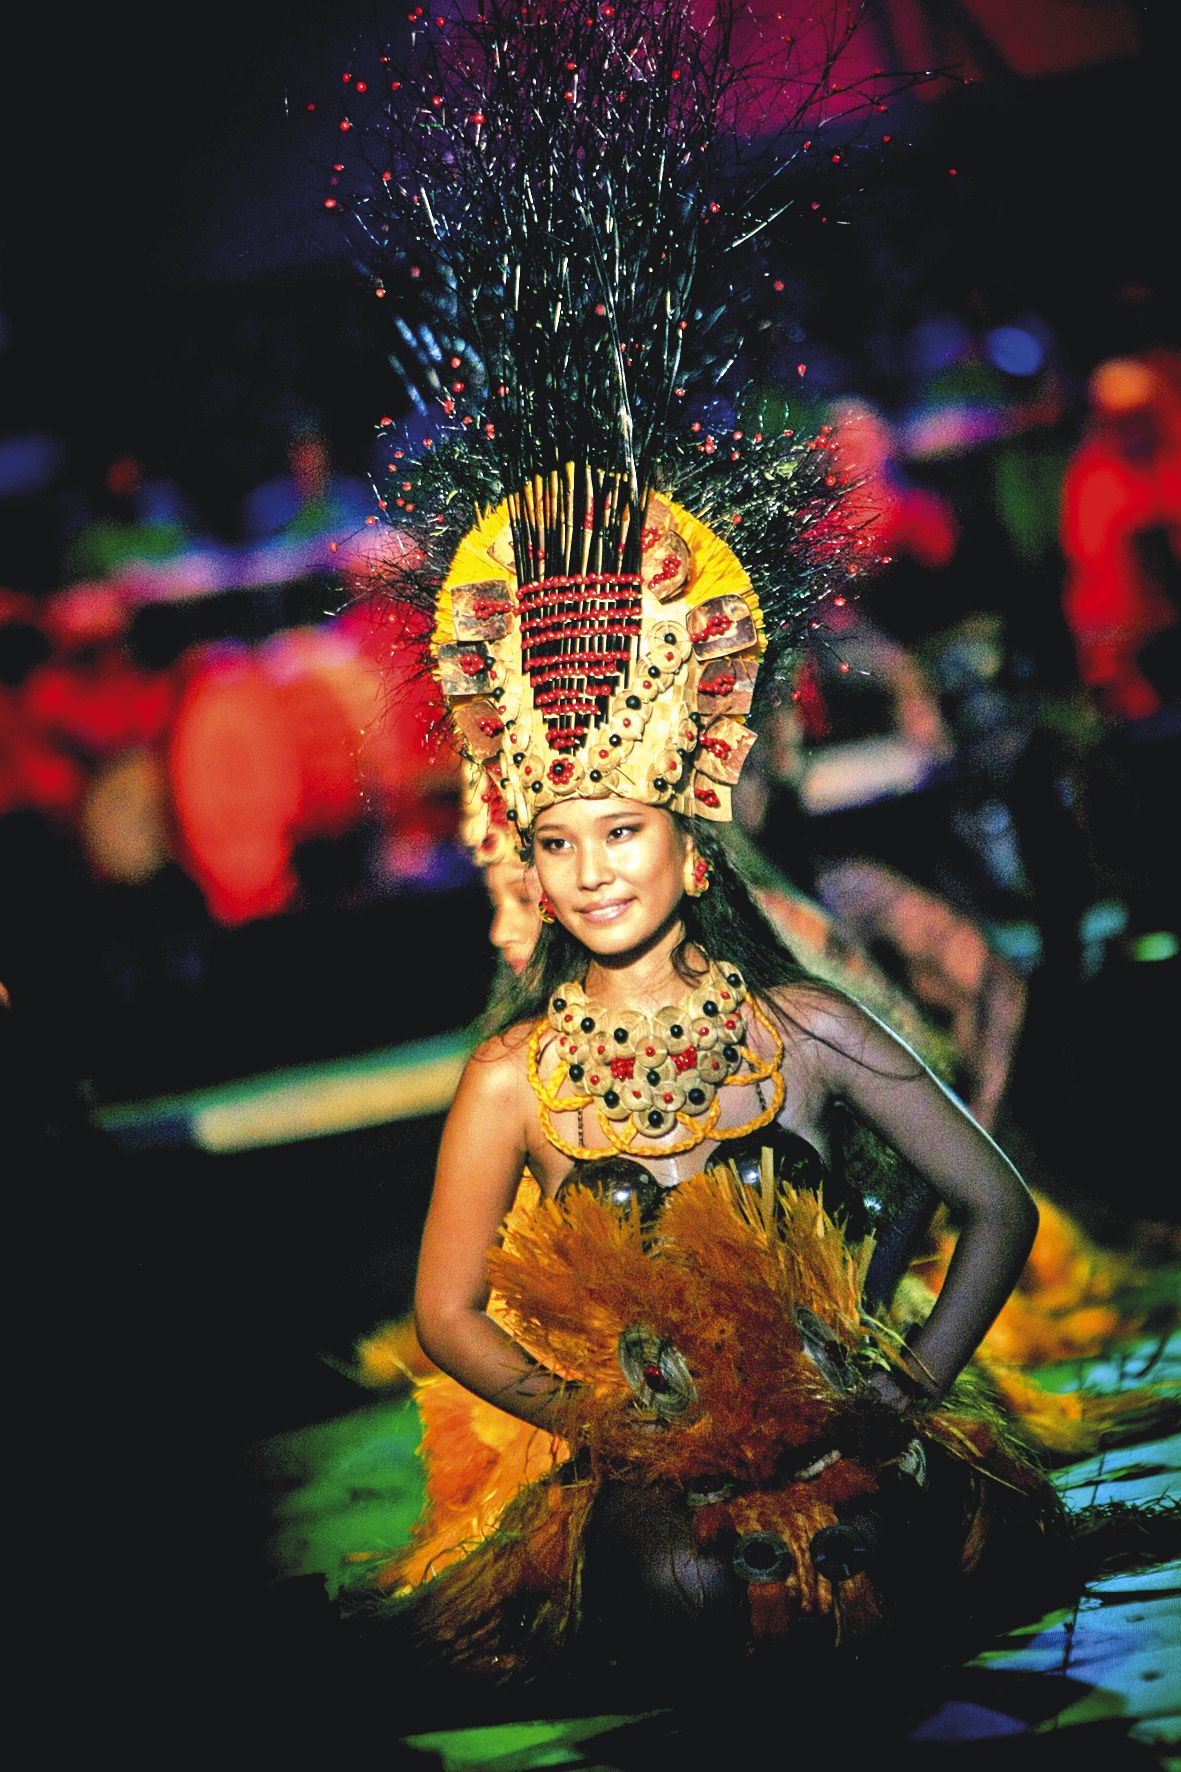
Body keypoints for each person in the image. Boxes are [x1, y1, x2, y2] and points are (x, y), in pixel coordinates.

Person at [320, 0, 1175, 1713]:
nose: (588, 866)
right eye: (560, 839)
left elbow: (985, 1199)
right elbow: (453, 1315)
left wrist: (904, 1387)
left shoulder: (800, 1023)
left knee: (862, 1559)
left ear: (682, 834)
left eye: (619, 829)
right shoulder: (512, 1071)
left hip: (846, 1411)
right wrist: (607, 1428)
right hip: (645, 1474)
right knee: (686, 1583)